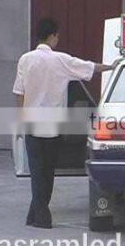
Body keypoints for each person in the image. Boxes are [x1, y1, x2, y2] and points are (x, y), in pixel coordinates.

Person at [13, 18, 115, 229]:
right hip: (53, 125)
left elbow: (19, 92)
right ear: (52, 36)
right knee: (47, 172)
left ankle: (35, 214)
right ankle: (42, 216)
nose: (57, 39)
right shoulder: (61, 60)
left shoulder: (25, 59)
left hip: (31, 123)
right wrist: (114, 66)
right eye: (57, 36)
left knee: (36, 170)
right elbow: (89, 67)